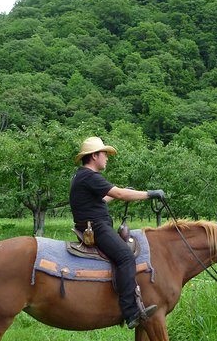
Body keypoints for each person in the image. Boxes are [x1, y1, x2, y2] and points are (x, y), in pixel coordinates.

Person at [70, 136, 165, 329]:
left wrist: (119, 194)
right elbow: (120, 193)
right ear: (94, 156)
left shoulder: (80, 176)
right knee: (125, 257)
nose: (107, 158)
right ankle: (130, 312)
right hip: (97, 227)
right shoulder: (90, 176)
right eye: (104, 154)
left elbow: (101, 200)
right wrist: (150, 194)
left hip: (91, 224)